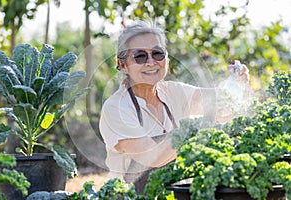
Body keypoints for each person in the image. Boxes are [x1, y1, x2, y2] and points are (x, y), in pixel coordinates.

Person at [99, 20, 250, 194]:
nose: (151, 62)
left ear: (166, 58)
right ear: (122, 64)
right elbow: (151, 156)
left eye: (158, 54)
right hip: (129, 197)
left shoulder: (174, 92)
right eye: (140, 56)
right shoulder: (116, 108)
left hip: (176, 194)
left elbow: (222, 105)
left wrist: (238, 85)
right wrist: (196, 127)